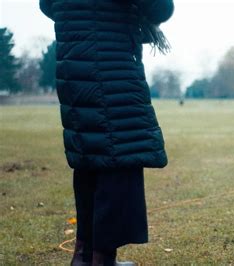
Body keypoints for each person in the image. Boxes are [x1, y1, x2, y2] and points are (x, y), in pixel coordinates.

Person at [39, 0, 174, 265]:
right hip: (111, 68)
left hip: (74, 66)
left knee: (91, 159)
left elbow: (47, 5)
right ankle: (102, 260)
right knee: (120, 161)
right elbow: (160, 8)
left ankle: (83, 256)